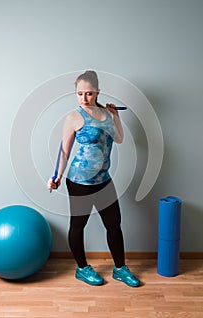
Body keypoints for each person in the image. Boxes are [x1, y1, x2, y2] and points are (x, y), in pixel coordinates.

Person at [47, 70, 140, 287]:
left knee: (114, 224)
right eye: (80, 93)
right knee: (78, 225)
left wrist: (116, 116)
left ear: (98, 92)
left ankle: (120, 269)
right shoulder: (73, 117)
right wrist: (56, 176)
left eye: (89, 94)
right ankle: (82, 269)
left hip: (104, 179)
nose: (84, 99)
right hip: (79, 181)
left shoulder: (108, 114)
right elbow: (64, 151)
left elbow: (118, 139)